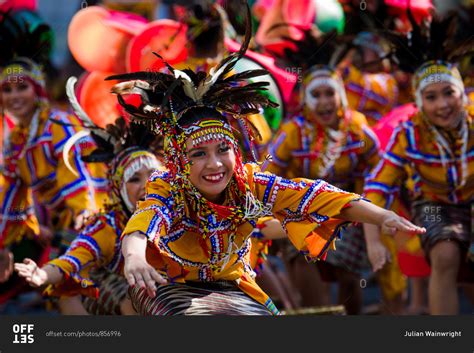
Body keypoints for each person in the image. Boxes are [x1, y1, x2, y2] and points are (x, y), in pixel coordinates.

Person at [105, 2, 424, 316]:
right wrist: (134, 256)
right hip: (170, 287)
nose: (215, 164)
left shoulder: (249, 182)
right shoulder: (168, 187)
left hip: (235, 287)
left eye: (223, 150)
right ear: (177, 159)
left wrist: (382, 217)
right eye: (199, 154)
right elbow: (142, 224)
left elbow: (319, 196)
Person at [263, 29, 383, 314]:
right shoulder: (292, 133)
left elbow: (381, 171)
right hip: (299, 210)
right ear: (305, 101)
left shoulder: (358, 130)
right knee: (302, 255)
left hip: (346, 211)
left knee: (348, 277)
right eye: (316, 95)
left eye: (330, 93)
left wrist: (373, 218)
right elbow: (266, 177)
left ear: (341, 96)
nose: (325, 101)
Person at [364, 10, 474, 315]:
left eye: (448, 93)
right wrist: (374, 243)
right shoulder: (409, 132)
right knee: (446, 254)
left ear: (462, 93)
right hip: (435, 206)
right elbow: (377, 185)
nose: (442, 104)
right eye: (431, 96)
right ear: (419, 102)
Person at [0, 11, 108, 311]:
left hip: (89, 217)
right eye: (7, 90)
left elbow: (82, 172)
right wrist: (4, 245)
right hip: (57, 226)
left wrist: (83, 212)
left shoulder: (57, 125)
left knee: (69, 292)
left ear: (37, 92)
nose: (14, 96)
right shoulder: (16, 142)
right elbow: (10, 197)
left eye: (22, 87)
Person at [14, 107, 163, 315]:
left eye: (154, 174)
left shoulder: (183, 211)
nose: (148, 184)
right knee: (138, 298)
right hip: (116, 291)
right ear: (119, 190)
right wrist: (42, 275)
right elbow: (71, 261)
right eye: (134, 179)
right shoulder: (107, 226)